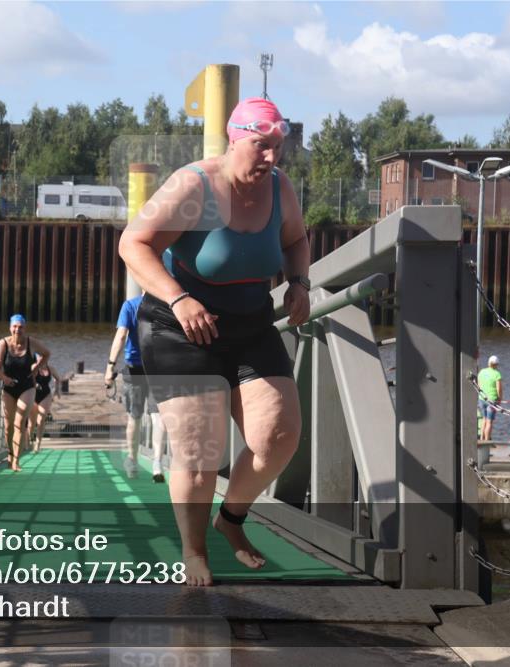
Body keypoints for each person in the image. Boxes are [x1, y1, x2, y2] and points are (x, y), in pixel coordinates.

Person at [118, 97, 311, 586]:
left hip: (250, 325)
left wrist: (300, 283)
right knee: (200, 455)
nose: (271, 158)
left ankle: (231, 520)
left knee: (279, 437)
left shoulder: (281, 188)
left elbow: (294, 240)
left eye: (278, 148)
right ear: (234, 138)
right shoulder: (194, 185)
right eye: (261, 146)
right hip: (181, 326)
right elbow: (133, 244)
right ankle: (194, 550)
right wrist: (179, 298)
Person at [105, 293, 166, 482]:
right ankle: (157, 463)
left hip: (135, 368)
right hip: (159, 367)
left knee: (134, 417)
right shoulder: (164, 304)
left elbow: (121, 335)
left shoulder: (130, 306)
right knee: (158, 416)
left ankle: (132, 460)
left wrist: (110, 366)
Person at [0, 314, 49, 472]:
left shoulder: (31, 343)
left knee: (19, 423)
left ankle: (16, 461)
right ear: (10, 327)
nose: (17, 330)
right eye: (15, 326)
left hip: (27, 386)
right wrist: (4, 378)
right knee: (8, 425)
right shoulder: (3, 343)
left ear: (25, 328)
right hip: (9, 386)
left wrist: (37, 368)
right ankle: (10, 455)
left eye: (21, 327)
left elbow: (47, 353)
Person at [29, 354, 61, 452]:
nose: (41, 360)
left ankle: (38, 444)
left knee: (41, 419)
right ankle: (30, 439)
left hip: (46, 395)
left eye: (43, 358)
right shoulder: (34, 367)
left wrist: (57, 390)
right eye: (39, 358)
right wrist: (35, 384)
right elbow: (27, 378)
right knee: (32, 422)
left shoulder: (50, 368)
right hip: (33, 395)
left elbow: (58, 378)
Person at [478, 355, 503, 441]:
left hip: (482, 399)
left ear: (488, 363)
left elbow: (479, 385)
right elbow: (499, 389)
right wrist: (499, 399)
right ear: (496, 364)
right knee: (489, 422)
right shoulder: (497, 374)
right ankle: (487, 440)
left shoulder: (481, 372)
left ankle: (481, 438)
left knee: (484, 419)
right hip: (492, 401)